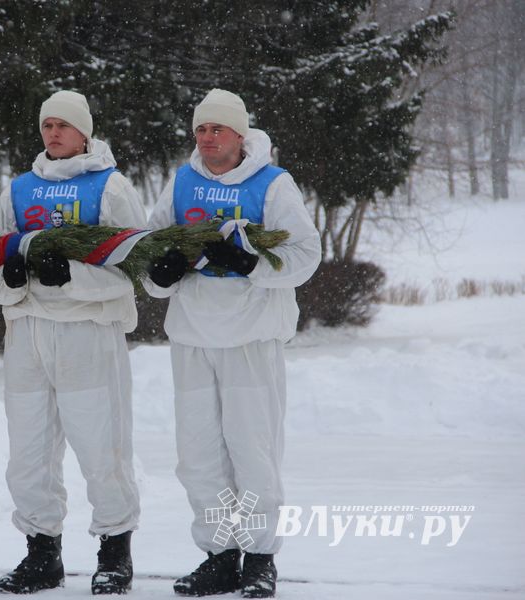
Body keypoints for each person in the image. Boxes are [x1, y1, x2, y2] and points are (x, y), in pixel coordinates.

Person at [144, 89, 321, 598]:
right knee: (198, 454)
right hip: (192, 335)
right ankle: (220, 555)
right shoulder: (182, 181)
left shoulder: (272, 183)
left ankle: (260, 556)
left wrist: (255, 266)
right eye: (200, 129)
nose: (206, 138)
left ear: (239, 135)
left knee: (253, 449)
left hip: (250, 336)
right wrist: (162, 273)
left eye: (216, 129)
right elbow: (153, 244)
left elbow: (306, 253)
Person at [0, 90, 145, 595]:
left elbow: (131, 270)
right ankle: (41, 552)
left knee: (102, 446)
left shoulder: (111, 187)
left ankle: (114, 551)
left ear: (85, 133)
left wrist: (70, 277)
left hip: (87, 334)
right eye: (47, 125)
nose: (53, 133)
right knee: (28, 450)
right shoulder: (17, 191)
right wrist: (10, 278)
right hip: (28, 333)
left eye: (64, 125)